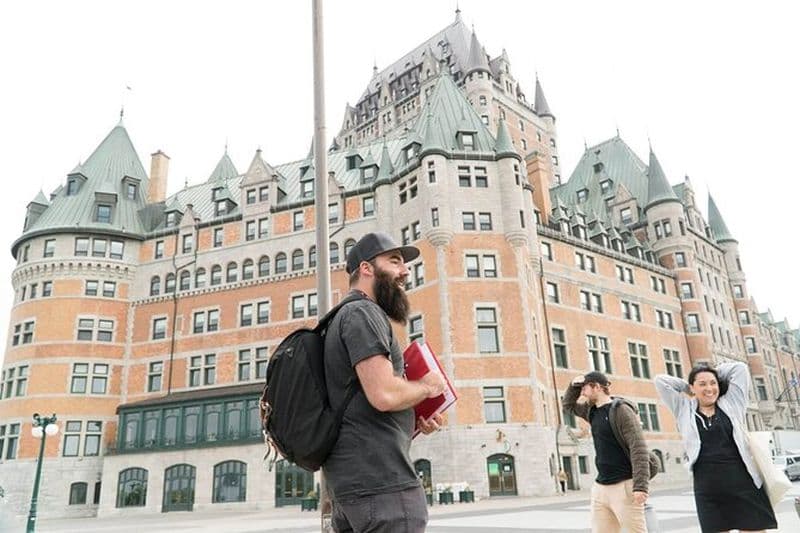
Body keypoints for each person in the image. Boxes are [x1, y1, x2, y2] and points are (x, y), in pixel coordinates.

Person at [323, 232, 447, 533]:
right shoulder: (363, 312)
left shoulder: (340, 317)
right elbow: (383, 395)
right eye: (394, 262)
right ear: (367, 268)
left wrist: (414, 415)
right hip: (383, 489)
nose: (405, 271)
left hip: (354, 490)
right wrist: (428, 387)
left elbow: (363, 402)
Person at [655, 362, 777, 533]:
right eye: (702, 384)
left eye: (713, 383)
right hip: (708, 488)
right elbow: (660, 381)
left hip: (743, 482)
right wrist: (689, 385)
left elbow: (740, 368)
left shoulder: (733, 402)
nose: (709, 388)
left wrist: (710, 373)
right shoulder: (683, 408)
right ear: (693, 388)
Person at [563, 371, 650, 533]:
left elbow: (638, 448)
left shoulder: (621, 411)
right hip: (600, 488)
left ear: (597, 387)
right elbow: (568, 406)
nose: (582, 392)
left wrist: (641, 486)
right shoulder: (591, 411)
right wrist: (574, 385)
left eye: (585, 388)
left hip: (624, 486)